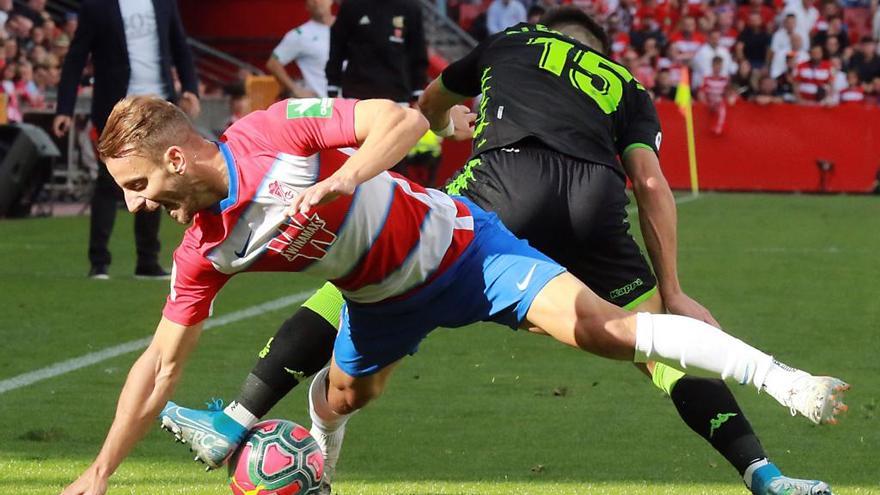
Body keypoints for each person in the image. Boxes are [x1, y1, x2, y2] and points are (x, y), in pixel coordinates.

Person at [160, 9, 845, 495]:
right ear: (600, 49)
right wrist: (674, 285)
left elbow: (425, 105)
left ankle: (239, 416)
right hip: (594, 201)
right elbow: (651, 182)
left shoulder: (516, 39)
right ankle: (766, 473)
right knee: (652, 346)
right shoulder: (629, 86)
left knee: (365, 270)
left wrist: (443, 121)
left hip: (506, 181)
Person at [53, 0, 200, 280]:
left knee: (156, 180)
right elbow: (76, 58)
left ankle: (147, 261)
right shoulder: (97, 6)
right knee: (108, 181)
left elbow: (180, 48)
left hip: (158, 103)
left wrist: (191, 88)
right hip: (116, 106)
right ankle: (99, 262)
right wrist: (64, 109)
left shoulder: (163, 3)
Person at [325, 0, 427, 104]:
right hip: (357, 96)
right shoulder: (351, 5)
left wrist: (417, 94)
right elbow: (337, 48)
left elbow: (418, 53)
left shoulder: (410, 7)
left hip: (397, 98)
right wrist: (333, 87)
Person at [266, 0, 333, 98]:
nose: (317, 2)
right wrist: (295, 89)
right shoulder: (300, 34)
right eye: (312, 1)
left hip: (353, 103)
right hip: (321, 106)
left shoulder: (349, 27)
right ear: (306, 6)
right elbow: (272, 64)